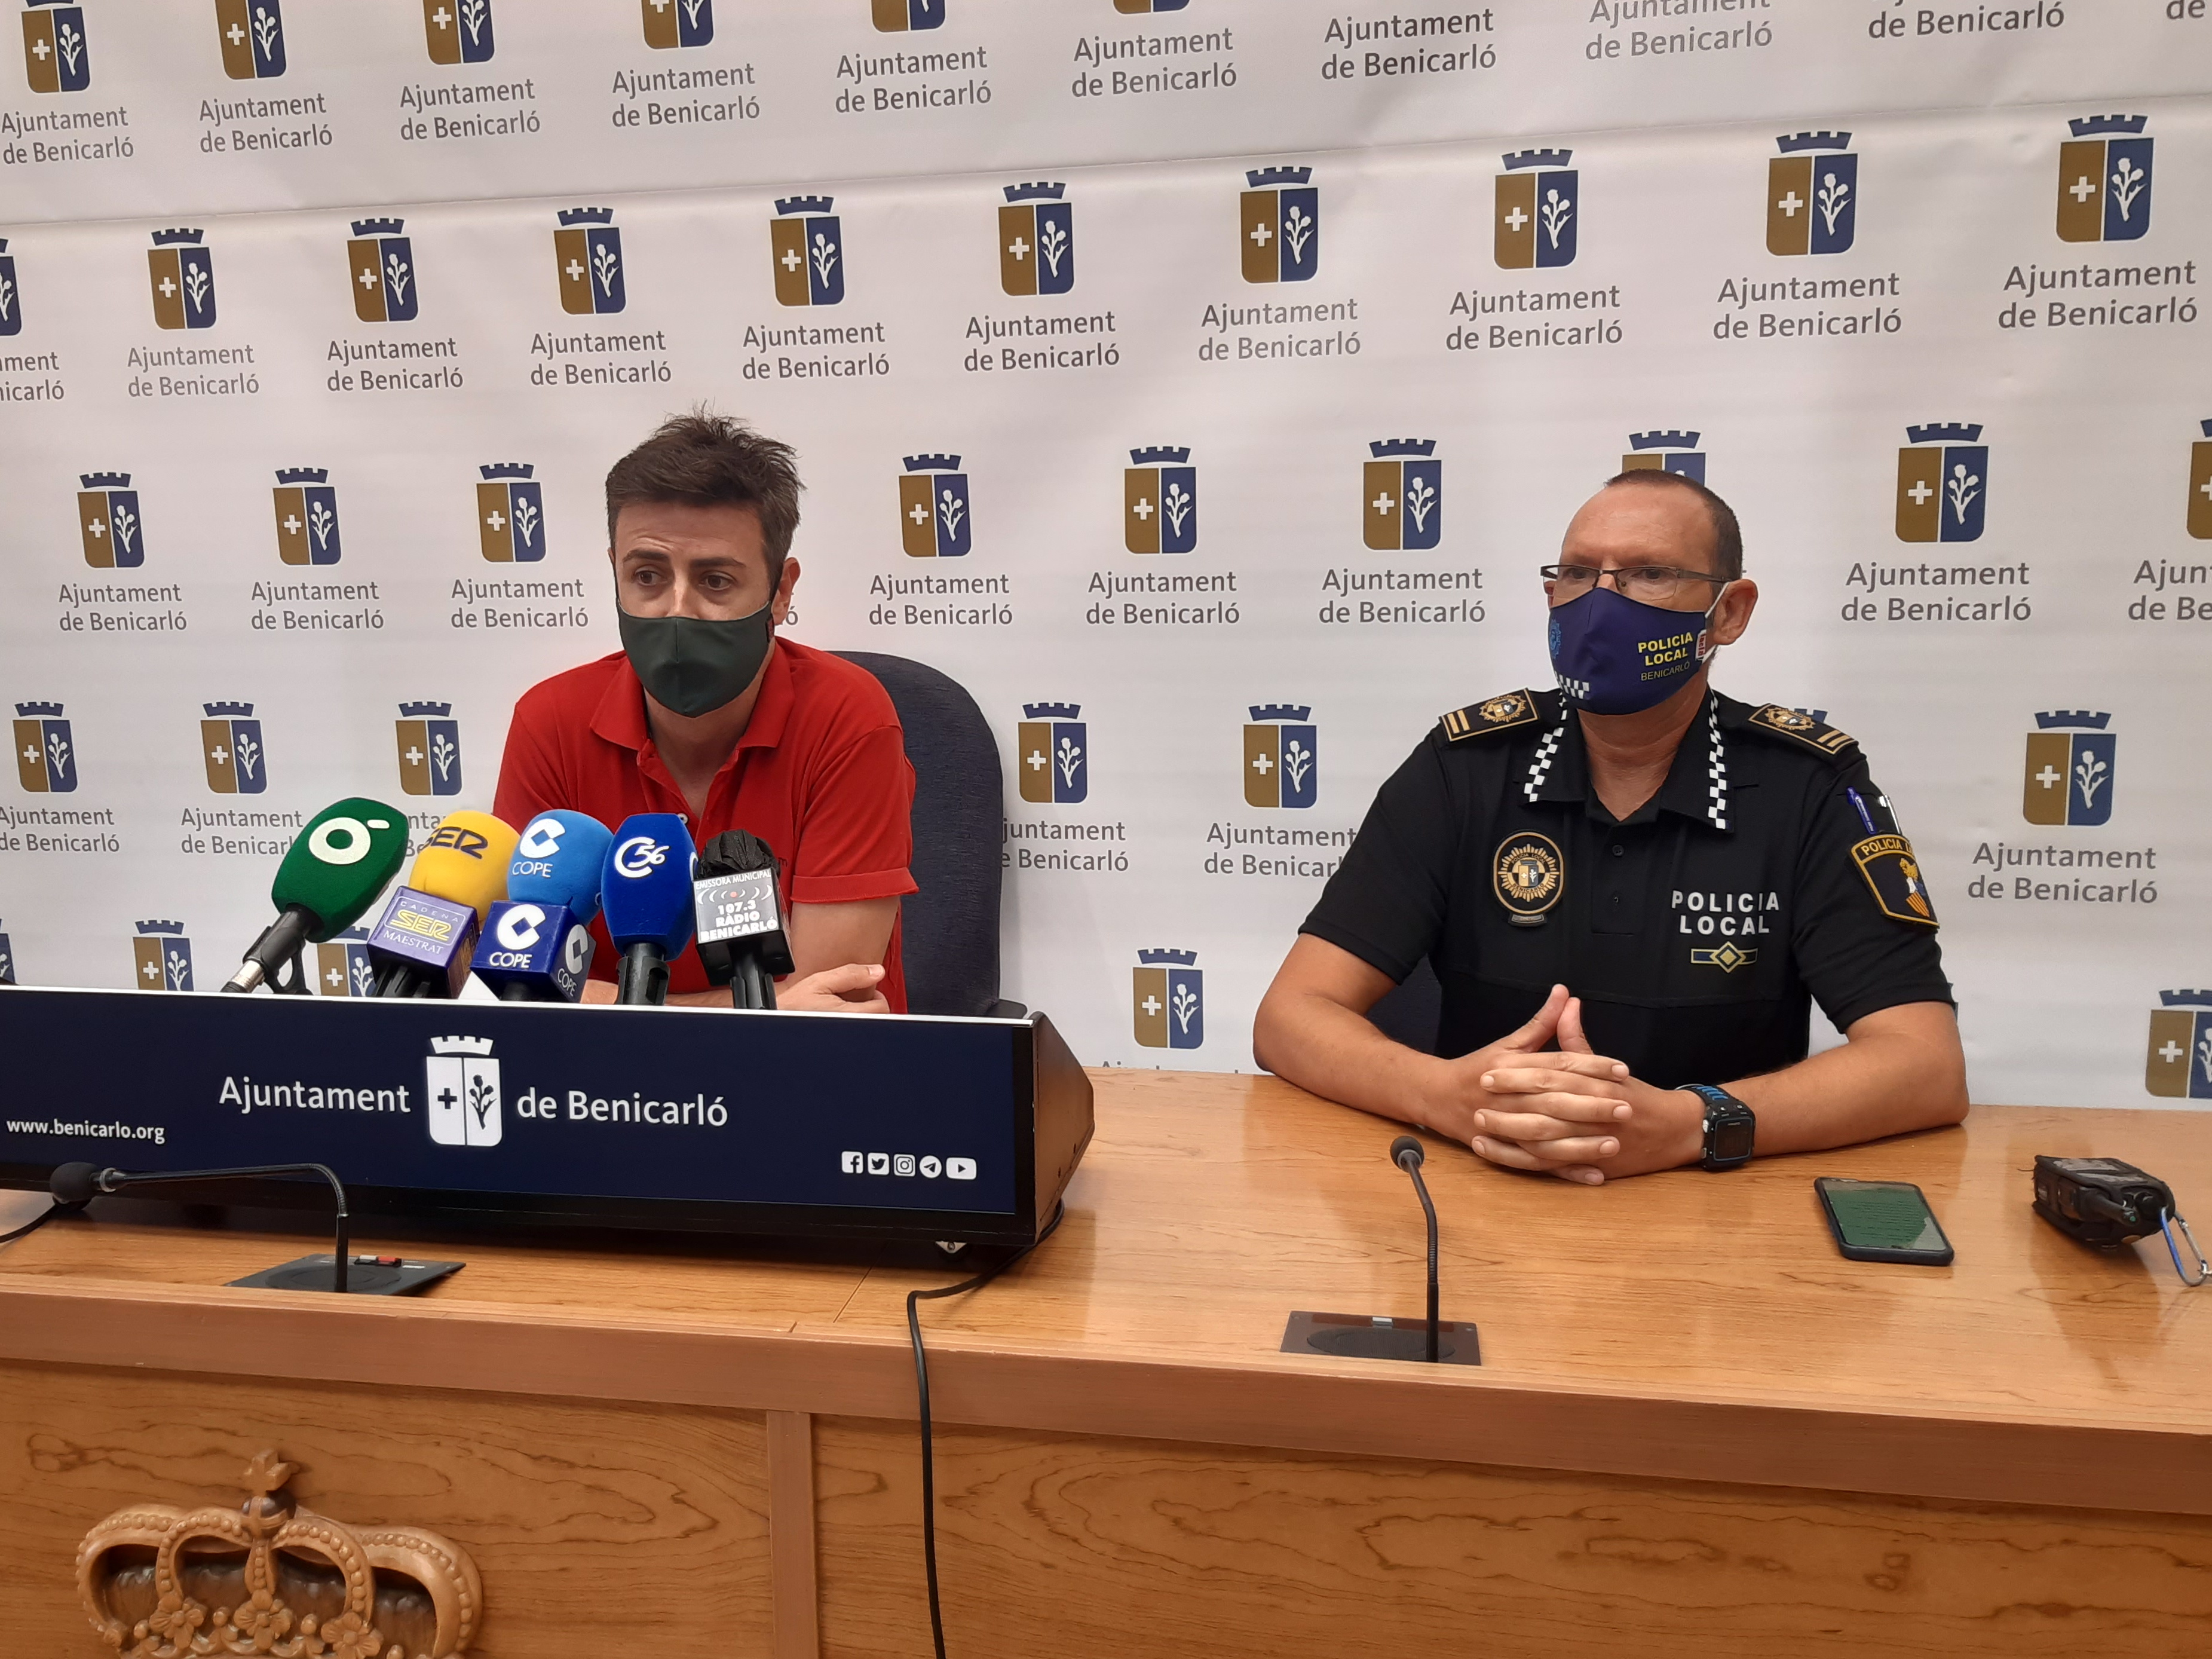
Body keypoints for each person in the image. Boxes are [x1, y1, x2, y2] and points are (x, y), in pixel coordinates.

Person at [1253, 469, 1967, 1183]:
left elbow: (1926, 1064)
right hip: (1480, 1185)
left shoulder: (1808, 786)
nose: (1599, 603)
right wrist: (1440, 1095)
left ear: (1728, 612)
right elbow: (1290, 1015)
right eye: (1577, 574)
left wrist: (1690, 1124)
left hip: (1716, 1205)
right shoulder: (1463, 767)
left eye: (1648, 574)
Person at [495, 412, 915, 1012]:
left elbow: (830, 1005)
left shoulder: (848, 718)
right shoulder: (550, 721)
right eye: (647, 575)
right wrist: (756, 1010)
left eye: (716, 580)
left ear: (781, 591)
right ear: (614, 572)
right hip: (604, 1072)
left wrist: (613, 1007)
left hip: (806, 1071)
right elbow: (520, 981)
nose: (677, 610)